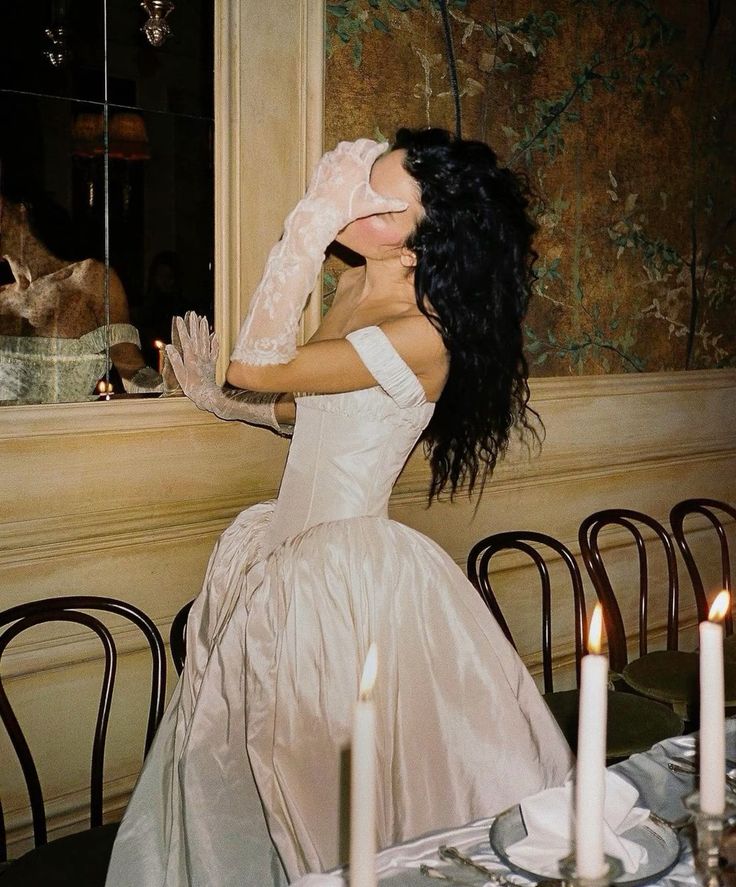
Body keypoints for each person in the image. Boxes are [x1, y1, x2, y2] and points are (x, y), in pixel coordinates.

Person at [105, 131, 572, 887]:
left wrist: (308, 224)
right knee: (263, 762)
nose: (353, 205)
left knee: (337, 783)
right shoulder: (353, 285)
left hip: (349, 579)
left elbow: (259, 365)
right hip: (279, 558)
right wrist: (222, 404)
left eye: (379, 204)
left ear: (419, 247)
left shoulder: (423, 332)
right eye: (360, 187)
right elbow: (305, 406)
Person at [0, 188, 162, 404]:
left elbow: (132, 371)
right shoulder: (3, 299)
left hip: (70, 424)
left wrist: (171, 388)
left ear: (21, 209)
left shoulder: (89, 279)